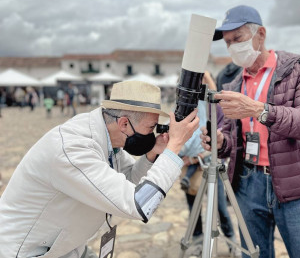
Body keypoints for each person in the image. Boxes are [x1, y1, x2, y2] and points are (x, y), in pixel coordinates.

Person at [0, 81, 200, 258]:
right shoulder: (74, 148)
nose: (151, 134)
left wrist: (152, 154)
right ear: (124, 123)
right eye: (150, 128)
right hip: (29, 251)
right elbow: (139, 204)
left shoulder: (107, 138)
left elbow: (129, 180)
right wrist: (173, 148)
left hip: (66, 247)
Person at [200, 5, 300, 258]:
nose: (232, 48)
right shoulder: (235, 83)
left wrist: (259, 109)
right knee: (254, 254)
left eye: (237, 39)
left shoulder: (298, 68)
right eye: (227, 43)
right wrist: (220, 141)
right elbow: (232, 139)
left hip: (296, 182)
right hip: (248, 183)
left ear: (260, 34)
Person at [179, 72, 240, 257]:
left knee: (220, 207)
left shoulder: (212, 106)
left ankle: (232, 241)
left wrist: (206, 77)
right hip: (190, 162)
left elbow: (217, 105)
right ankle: (197, 241)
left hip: (211, 160)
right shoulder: (186, 106)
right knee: (194, 206)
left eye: (202, 83)